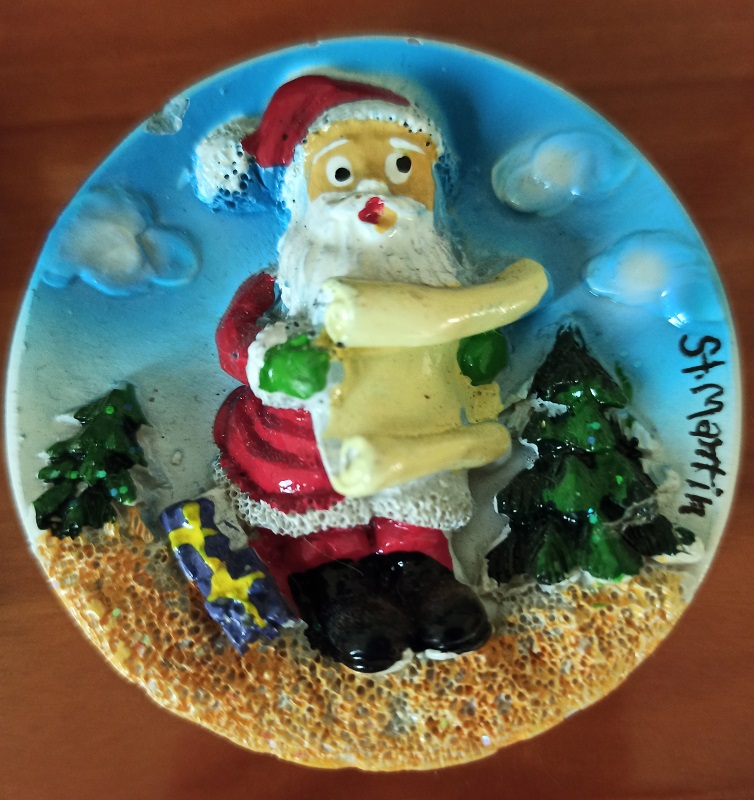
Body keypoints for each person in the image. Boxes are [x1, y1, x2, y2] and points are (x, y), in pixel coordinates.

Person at [200, 75, 548, 672]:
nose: (375, 191)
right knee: (318, 517)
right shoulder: (286, 284)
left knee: (416, 504)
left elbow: (468, 343)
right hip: (309, 434)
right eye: (342, 172)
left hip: (416, 424)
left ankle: (422, 573)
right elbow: (235, 337)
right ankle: (336, 585)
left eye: (401, 168)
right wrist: (272, 359)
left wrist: (475, 353)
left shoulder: (437, 279)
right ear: (301, 191)